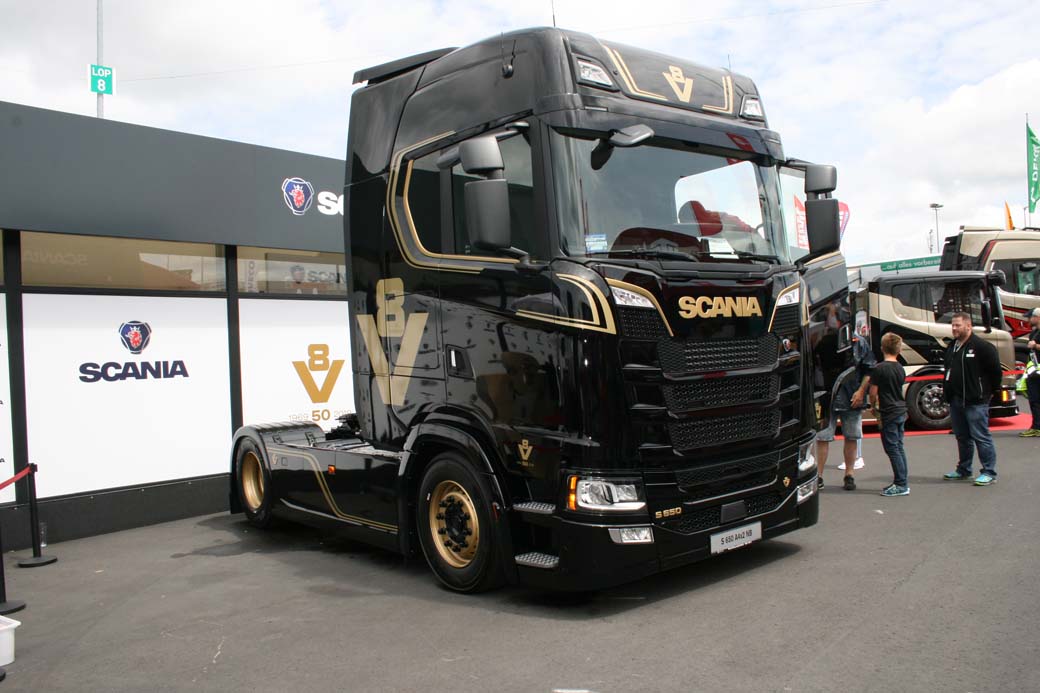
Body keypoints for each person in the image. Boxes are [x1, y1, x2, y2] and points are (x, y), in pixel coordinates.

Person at [942, 312, 1002, 485]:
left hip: (976, 401)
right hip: (956, 399)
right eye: (953, 325)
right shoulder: (952, 346)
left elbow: (996, 373)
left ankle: (989, 472)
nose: (954, 328)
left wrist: (989, 392)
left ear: (968, 326)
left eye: (957, 325)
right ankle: (964, 469)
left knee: (981, 436)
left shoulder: (982, 347)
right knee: (962, 436)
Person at [817, 328, 875, 491]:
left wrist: (861, 392)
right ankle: (818, 476)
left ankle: (849, 474)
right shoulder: (823, 340)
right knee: (823, 437)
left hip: (852, 396)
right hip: (827, 396)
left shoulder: (859, 342)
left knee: (851, 436)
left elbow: (869, 369)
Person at [870, 333, 909, 496]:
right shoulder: (900, 368)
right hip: (900, 409)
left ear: (882, 348)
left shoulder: (879, 369)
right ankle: (902, 481)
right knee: (898, 446)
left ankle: (901, 484)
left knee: (892, 448)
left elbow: (873, 392)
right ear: (899, 350)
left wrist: (873, 406)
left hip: (888, 411)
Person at [1020, 307, 1040, 437]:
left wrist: (1036, 346)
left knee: (1036, 400)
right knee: (1034, 399)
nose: (1028, 320)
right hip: (1033, 371)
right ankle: (1036, 426)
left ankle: (1037, 427)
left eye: (1030, 317)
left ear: (1037, 317)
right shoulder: (1034, 333)